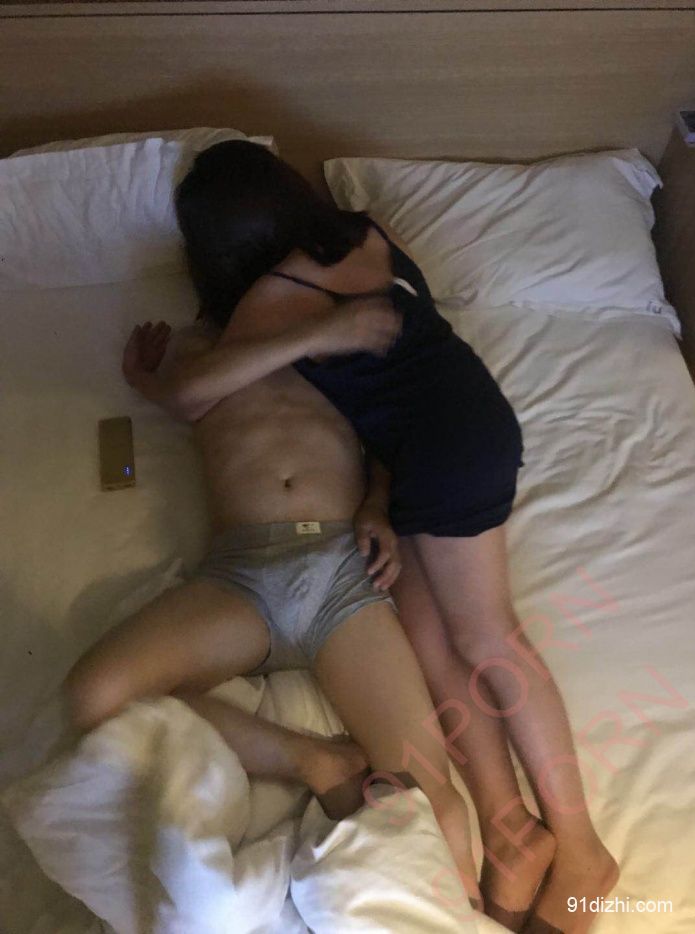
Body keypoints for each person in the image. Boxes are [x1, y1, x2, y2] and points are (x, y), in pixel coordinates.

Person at [174, 139, 619, 934]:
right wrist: (379, 498)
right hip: (448, 433)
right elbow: (401, 375)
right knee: (426, 637)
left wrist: (309, 335)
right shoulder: (365, 234)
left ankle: (582, 848)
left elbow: (191, 392)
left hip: (446, 451)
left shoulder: (274, 298)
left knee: (489, 635)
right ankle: (511, 832)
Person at [62, 297, 483, 906]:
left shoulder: (352, 332)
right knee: (94, 696)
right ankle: (312, 760)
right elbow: (185, 395)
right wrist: (155, 384)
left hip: (343, 573)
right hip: (241, 579)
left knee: (431, 797)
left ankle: (463, 915)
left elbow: (389, 433)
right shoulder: (201, 347)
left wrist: (376, 503)